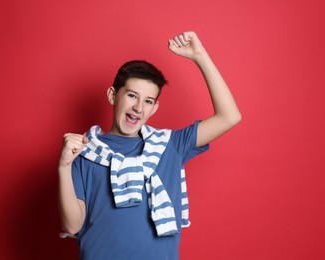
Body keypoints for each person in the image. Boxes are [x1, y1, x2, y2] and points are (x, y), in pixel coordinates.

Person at [58, 31, 241, 260]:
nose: (138, 108)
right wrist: (64, 166)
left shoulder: (169, 146)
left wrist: (200, 56)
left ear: (154, 108)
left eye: (148, 101)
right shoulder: (85, 152)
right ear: (113, 95)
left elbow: (229, 116)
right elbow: (73, 225)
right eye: (132, 96)